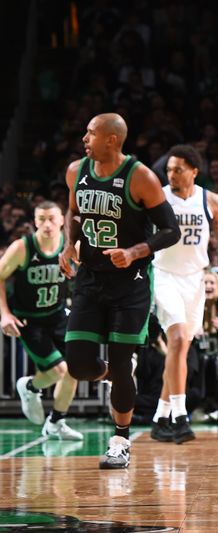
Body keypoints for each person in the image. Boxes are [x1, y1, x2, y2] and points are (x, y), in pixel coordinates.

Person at [58, 113, 180, 469]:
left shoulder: (140, 177)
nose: (85, 137)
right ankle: (114, 370)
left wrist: (134, 251)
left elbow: (169, 230)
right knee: (79, 364)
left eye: (91, 133)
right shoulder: (75, 171)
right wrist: (69, 246)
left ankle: (120, 441)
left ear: (112, 140)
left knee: (124, 362)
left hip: (132, 283)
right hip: (91, 278)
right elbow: (74, 212)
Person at [150, 144, 218, 445]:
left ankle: (160, 417)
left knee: (179, 352)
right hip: (164, 276)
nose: (171, 174)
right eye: (169, 169)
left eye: (178, 169)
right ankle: (180, 418)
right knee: (175, 341)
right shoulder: (158, 197)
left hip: (195, 281)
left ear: (194, 171)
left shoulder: (211, 201)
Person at [0, 202, 82, 440]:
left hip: (57, 314)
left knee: (75, 368)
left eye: (52, 219)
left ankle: (56, 422)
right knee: (58, 370)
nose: (47, 224)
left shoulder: (69, 246)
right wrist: (5, 314)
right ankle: (29, 387)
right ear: (35, 221)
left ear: (62, 221)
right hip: (30, 319)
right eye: (42, 219)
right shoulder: (23, 248)